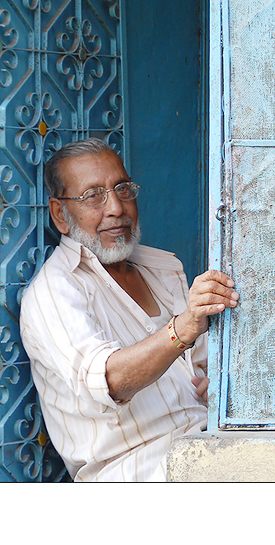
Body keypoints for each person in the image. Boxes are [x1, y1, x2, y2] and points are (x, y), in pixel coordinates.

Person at [19, 137, 239, 481]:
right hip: (139, 470)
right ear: (60, 214)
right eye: (93, 196)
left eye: (122, 189)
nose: (116, 209)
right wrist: (183, 327)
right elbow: (110, 380)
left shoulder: (163, 267)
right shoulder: (54, 291)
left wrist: (220, 387)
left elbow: (203, 368)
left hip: (207, 444)